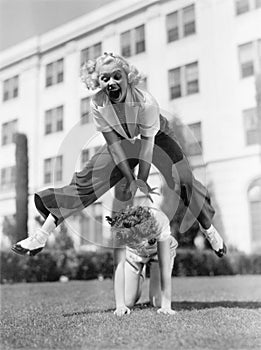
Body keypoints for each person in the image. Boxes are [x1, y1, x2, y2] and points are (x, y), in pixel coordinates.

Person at [12, 52, 226, 257]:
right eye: (105, 78)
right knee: (88, 180)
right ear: (98, 82)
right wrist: (130, 179)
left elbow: (147, 148)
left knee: (185, 181)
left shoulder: (146, 103)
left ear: (128, 78)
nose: (112, 82)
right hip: (122, 140)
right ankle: (41, 236)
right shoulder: (98, 103)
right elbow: (114, 147)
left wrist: (140, 181)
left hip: (157, 138)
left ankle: (210, 231)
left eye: (117, 76)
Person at [107, 205, 177, 316]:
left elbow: (164, 266)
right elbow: (118, 266)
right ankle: (139, 274)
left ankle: (148, 269)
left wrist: (166, 306)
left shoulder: (160, 221)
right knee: (127, 302)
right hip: (134, 256)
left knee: (158, 302)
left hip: (158, 254)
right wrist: (120, 305)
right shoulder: (121, 231)